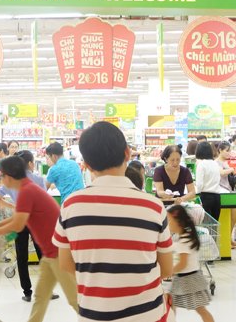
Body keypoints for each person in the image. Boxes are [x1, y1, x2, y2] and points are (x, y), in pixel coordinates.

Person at [53, 122, 174, 322]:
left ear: (86, 164)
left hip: (93, 314)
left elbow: (66, 265)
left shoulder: (70, 206)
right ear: (127, 153)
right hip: (147, 314)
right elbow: (167, 269)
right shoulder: (153, 206)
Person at [0, 156, 77, 322]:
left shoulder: (27, 192)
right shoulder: (27, 189)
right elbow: (16, 218)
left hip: (58, 254)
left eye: (1, 175)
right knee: (41, 297)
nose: (0, 180)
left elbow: (17, 225)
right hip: (50, 254)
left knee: (76, 300)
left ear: (9, 176)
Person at [0, 150, 57, 303]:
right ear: (30, 163)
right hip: (36, 221)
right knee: (42, 253)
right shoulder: (37, 179)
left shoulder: (11, 180)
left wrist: (14, 206)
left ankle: (27, 292)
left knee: (21, 255)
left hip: (19, 220)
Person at [167, 205, 214, 322]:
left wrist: (169, 271)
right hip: (184, 278)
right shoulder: (184, 236)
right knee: (171, 304)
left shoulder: (184, 240)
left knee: (200, 309)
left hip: (189, 280)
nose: (167, 224)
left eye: (169, 220)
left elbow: (183, 264)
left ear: (178, 222)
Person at [216, 141, 236, 247]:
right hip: (222, 193)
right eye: (227, 150)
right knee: (227, 218)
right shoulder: (216, 162)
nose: (229, 153)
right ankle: (226, 240)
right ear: (220, 150)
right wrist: (231, 170)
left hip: (230, 191)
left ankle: (228, 237)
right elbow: (221, 173)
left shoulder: (225, 163)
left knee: (235, 216)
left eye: (230, 150)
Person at [195, 141, 222, 222]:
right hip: (217, 197)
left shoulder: (201, 164)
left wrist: (196, 193)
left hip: (206, 197)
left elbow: (199, 184)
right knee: (214, 224)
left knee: (206, 224)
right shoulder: (215, 164)